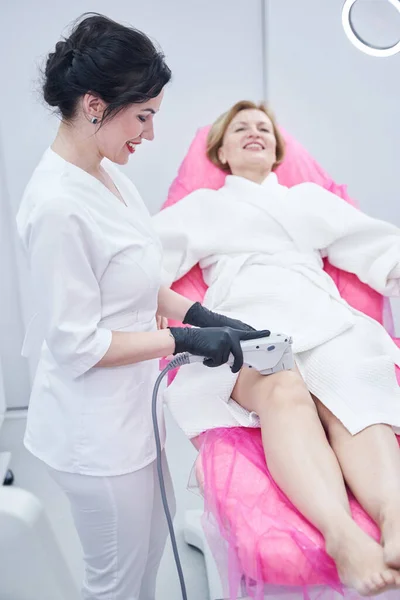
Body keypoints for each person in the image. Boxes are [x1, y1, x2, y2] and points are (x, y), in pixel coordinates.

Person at [16, 19, 268, 600]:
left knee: (150, 559)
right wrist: (181, 342)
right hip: (94, 438)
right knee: (118, 585)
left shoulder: (108, 179)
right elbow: (78, 345)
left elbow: (139, 279)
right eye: (144, 116)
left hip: (132, 418)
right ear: (95, 104)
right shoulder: (57, 207)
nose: (151, 134)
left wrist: (202, 316)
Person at [153, 100, 400, 597]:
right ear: (220, 151)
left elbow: (376, 245)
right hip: (250, 316)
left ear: (277, 149)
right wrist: (158, 303)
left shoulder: (308, 199)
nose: (254, 132)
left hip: (321, 314)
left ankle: (394, 518)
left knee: (355, 392)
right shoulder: (203, 206)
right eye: (240, 128)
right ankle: (342, 535)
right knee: (283, 388)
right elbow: (145, 258)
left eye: (263, 128)